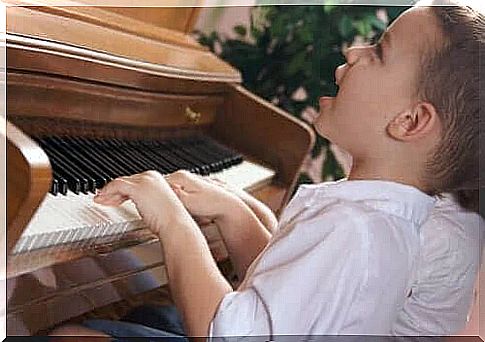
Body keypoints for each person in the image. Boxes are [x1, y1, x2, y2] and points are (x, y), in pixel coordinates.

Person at [49, 1, 484, 339]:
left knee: (73, 334)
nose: (355, 50)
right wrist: (237, 213)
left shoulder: (355, 227)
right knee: (141, 317)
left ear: (409, 122)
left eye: (380, 51)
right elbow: (288, 296)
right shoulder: (388, 222)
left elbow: (226, 333)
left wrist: (173, 220)